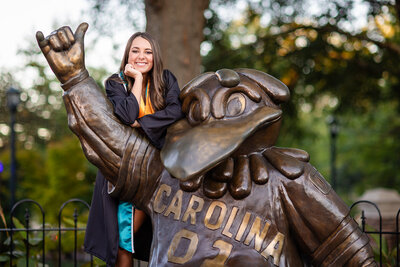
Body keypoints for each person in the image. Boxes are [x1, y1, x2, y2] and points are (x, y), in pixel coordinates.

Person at [83, 31, 184, 267]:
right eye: (136, 50)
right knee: (122, 239)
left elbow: (175, 111)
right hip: (126, 168)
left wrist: (142, 122)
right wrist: (137, 80)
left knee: (165, 239)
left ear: (155, 56)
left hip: (161, 168)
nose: (142, 56)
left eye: (148, 52)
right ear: (128, 53)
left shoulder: (166, 80)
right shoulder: (115, 82)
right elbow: (128, 115)